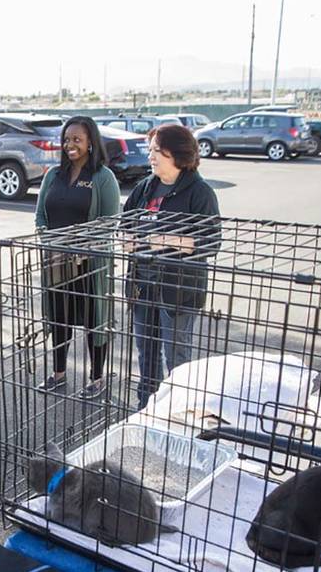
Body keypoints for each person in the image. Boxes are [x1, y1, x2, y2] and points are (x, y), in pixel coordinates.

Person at [120, 123, 221, 408]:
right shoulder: (145, 187)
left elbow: (212, 242)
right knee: (146, 351)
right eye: (150, 150)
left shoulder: (199, 192)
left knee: (176, 355)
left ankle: (177, 409)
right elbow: (125, 220)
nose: (150, 156)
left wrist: (170, 240)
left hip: (177, 289)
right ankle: (146, 406)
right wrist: (126, 237)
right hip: (143, 283)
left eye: (157, 151)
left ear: (177, 154)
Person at [34, 115, 120, 399]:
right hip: (57, 262)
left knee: (94, 320)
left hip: (90, 264)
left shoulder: (103, 178)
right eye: (67, 140)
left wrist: (80, 245)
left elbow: (110, 222)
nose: (70, 145)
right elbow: (40, 216)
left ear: (91, 143)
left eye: (77, 140)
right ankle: (58, 374)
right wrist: (50, 241)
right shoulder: (52, 175)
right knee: (59, 318)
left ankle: (96, 378)